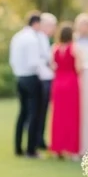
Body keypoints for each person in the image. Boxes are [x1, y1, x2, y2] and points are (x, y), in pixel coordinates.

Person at [8, 11, 45, 157]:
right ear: (36, 23)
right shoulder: (32, 39)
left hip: (19, 77)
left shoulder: (17, 37)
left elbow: (12, 60)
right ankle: (31, 149)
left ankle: (18, 147)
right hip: (31, 78)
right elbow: (33, 62)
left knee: (22, 113)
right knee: (34, 114)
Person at [49, 23, 82, 158]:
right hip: (71, 83)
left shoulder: (55, 48)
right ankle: (71, 149)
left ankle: (58, 148)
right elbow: (78, 67)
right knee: (72, 117)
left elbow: (52, 66)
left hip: (58, 84)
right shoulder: (74, 48)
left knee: (58, 116)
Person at [36, 13, 57, 150]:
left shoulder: (42, 38)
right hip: (43, 79)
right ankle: (39, 139)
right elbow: (47, 60)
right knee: (40, 111)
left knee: (42, 111)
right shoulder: (41, 38)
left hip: (43, 78)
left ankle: (40, 139)